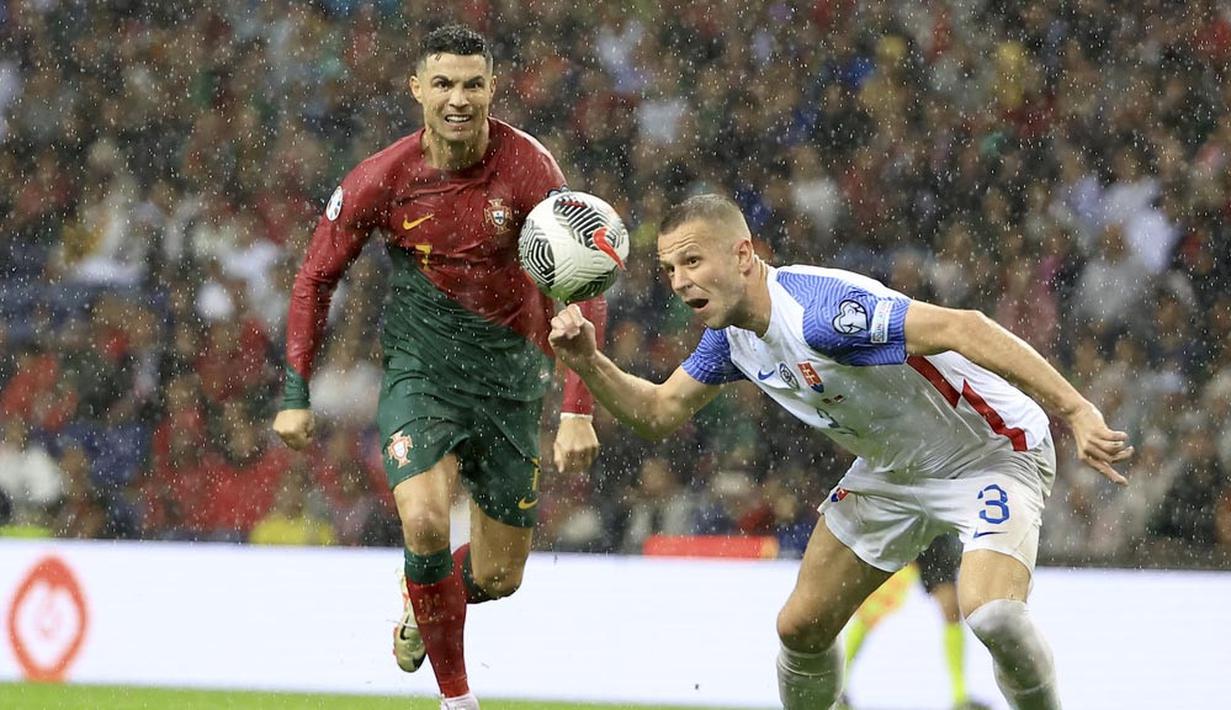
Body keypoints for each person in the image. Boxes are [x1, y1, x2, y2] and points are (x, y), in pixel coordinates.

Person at [548, 194, 1132, 710]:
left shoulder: (824, 315)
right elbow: (657, 412)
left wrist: (1076, 410)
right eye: (670, 268)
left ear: (743, 255)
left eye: (693, 261)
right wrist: (589, 363)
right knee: (799, 627)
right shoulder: (731, 339)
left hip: (992, 450)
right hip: (893, 471)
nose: (678, 281)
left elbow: (968, 327)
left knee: (993, 614)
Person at [272, 25, 606, 710]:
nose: (459, 99)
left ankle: (422, 594)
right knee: (424, 522)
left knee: (499, 576)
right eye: (444, 84)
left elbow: (581, 285)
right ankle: (457, 699)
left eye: (472, 84)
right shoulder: (383, 178)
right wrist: (295, 389)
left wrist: (577, 407)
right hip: (421, 374)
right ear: (417, 89)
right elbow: (315, 276)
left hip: (512, 383)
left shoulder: (529, 170)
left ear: (493, 89)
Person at [841, 534, 990, 710]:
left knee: (951, 611)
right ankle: (839, 686)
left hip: (935, 535)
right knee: (871, 610)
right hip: (906, 530)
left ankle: (960, 696)